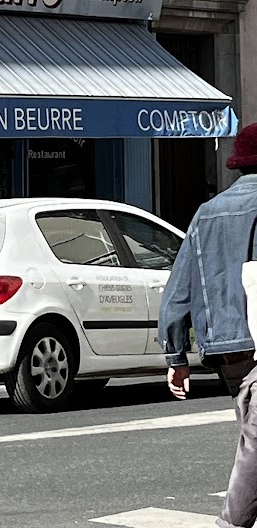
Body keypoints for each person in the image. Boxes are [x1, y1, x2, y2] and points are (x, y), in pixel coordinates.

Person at [158, 122, 257, 528]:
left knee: (252, 430)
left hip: (231, 347)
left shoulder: (207, 213)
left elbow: (178, 289)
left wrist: (174, 354)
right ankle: (231, 522)